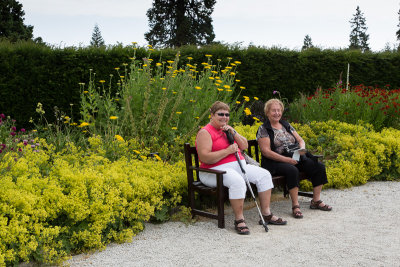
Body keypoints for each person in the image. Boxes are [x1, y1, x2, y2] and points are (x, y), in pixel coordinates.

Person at [196, 101, 286, 235]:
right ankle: (239, 219)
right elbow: (205, 158)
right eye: (220, 114)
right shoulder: (205, 132)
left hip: (239, 166)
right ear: (212, 115)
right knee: (237, 181)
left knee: (264, 175)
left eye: (227, 115)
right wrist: (227, 151)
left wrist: (234, 132)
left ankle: (266, 214)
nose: (224, 117)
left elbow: (244, 146)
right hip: (213, 171)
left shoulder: (227, 129)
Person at [256, 99, 332, 219]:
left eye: (279, 110)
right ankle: (295, 206)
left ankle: (316, 201)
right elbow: (266, 152)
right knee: (292, 170)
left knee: (319, 166)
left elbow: (301, 140)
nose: (276, 113)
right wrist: (287, 160)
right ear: (267, 112)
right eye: (273, 111)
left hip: (294, 157)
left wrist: (302, 149)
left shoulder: (286, 125)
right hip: (274, 162)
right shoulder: (263, 129)